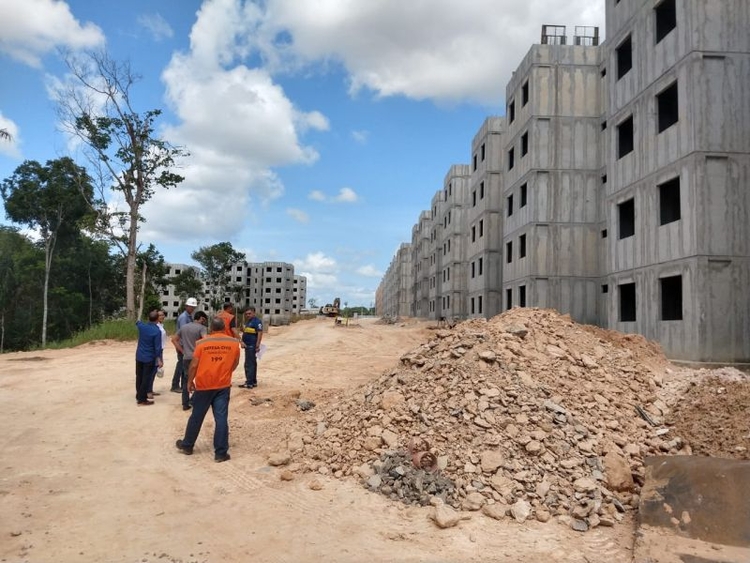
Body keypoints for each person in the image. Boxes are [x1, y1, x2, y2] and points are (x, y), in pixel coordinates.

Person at [175, 317, 240, 462]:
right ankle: (221, 453)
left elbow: (193, 365)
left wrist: (190, 381)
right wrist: (225, 373)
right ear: (224, 328)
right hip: (223, 386)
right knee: (221, 418)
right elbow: (234, 364)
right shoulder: (234, 343)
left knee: (196, 416)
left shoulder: (202, 343)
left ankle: (187, 445)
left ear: (211, 329)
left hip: (204, 385)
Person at [171, 311, 208, 411]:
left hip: (186, 357)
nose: (204, 322)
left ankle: (185, 403)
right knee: (201, 379)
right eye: (204, 320)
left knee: (186, 380)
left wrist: (182, 351)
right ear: (201, 318)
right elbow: (205, 340)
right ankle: (194, 400)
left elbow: (174, 339)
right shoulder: (202, 328)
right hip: (197, 358)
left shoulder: (184, 327)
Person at [135, 310, 163, 406]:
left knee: (139, 377)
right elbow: (157, 348)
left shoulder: (142, 326)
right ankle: (142, 399)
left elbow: (137, 322)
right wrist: (159, 359)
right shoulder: (157, 331)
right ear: (157, 320)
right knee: (146, 378)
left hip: (139, 356)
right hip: (149, 357)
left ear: (148, 318)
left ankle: (139, 395)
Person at [171, 297, 198, 392]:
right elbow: (183, 333)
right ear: (186, 306)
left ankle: (184, 385)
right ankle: (175, 385)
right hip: (182, 345)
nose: (192, 309)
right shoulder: (184, 318)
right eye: (191, 307)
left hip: (185, 345)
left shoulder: (189, 316)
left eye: (193, 307)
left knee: (184, 366)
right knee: (181, 365)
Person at [239, 306, 263, 389]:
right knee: (251, 363)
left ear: (254, 313)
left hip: (252, 345)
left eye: (249, 313)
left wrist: (257, 344)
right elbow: (248, 331)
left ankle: (249, 382)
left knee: (249, 364)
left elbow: (260, 333)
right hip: (247, 345)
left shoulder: (257, 322)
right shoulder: (248, 321)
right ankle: (252, 381)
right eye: (246, 314)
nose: (248, 315)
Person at [147, 309, 169, 399]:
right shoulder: (155, 326)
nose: (162, 316)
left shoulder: (161, 325)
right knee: (152, 371)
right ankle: (148, 391)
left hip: (160, 349)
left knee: (155, 370)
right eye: (160, 315)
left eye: (163, 315)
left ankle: (150, 389)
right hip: (157, 350)